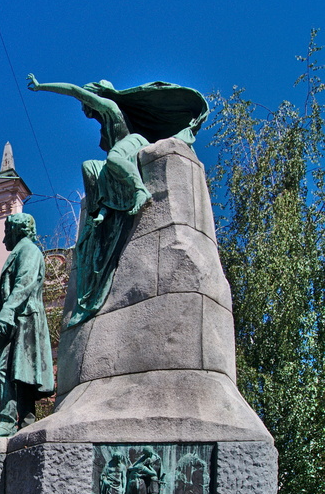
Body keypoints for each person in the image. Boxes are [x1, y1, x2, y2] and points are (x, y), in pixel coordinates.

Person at [26, 74, 208, 326]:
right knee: (89, 166)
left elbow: (73, 88)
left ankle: (139, 191)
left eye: (85, 104)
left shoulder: (109, 107)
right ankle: (101, 208)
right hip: (119, 158)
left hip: (133, 144)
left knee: (113, 158)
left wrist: (41, 86)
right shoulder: (104, 121)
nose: (84, 110)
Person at [0, 213, 54, 438]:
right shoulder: (19, 252)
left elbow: (24, 284)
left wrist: (7, 311)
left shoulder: (28, 250)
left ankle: (8, 421)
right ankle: (25, 422)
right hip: (16, 319)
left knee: (10, 370)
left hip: (24, 319)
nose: (3, 240)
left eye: (5, 233)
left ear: (15, 231)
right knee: (18, 372)